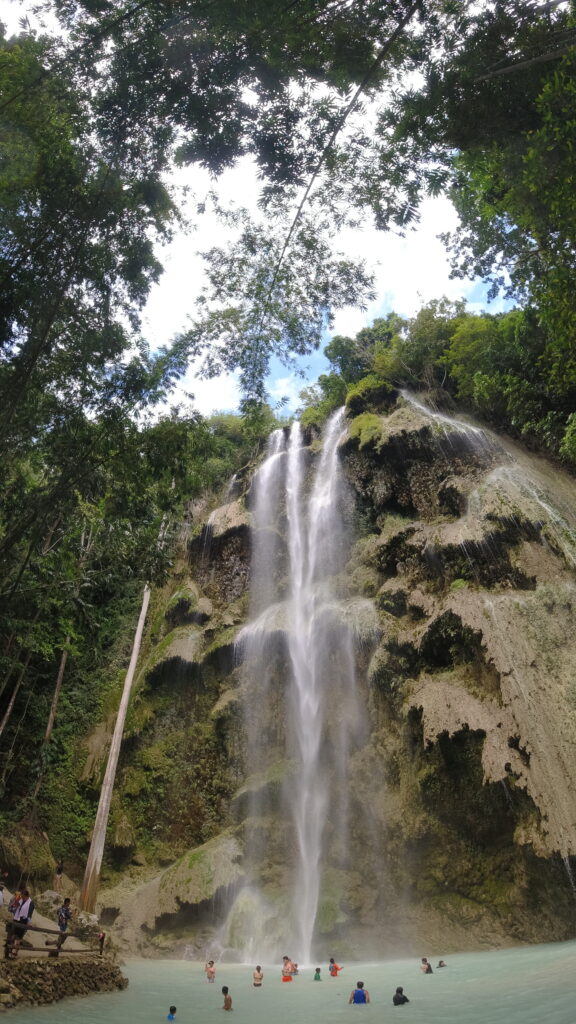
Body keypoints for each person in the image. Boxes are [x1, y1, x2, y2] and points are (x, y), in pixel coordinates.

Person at [8, 889, 34, 958]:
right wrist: (13, 906)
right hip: (16, 919)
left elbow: (29, 914)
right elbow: (16, 907)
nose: (21, 897)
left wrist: (29, 923)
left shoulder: (30, 903)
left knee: (19, 938)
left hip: (23, 921)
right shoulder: (21, 899)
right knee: (13, 936)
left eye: (22, 895)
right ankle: (10, 950)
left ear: (25, 896)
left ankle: (15, 953)